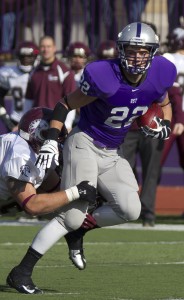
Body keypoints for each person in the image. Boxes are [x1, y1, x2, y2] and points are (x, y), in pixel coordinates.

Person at [7, 22, 176, 293]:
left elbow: (164, 102)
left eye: (143, 52)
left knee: (131, 209)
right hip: (84, 143)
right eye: (131, 51)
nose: (137, 57)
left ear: (153, 54)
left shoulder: (162, 72)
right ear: (121, 51)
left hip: (112, 152)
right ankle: (21, 272)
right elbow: (64, 104)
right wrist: (51, 139)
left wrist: (165, 123)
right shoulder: (103, 76)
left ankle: (80, 230)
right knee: (70, 217)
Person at [24, 35, 76, 132]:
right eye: (43, 46)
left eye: (48, 46)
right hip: (36, 124)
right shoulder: (33, 72)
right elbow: (28, 100)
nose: (45, 49)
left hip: (57, 124)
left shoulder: (65, 72)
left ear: (54, 48)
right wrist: (24, 121)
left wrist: (68, 124)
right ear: (39, 49)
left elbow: (71, 101)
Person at [0, 41, 39, 133]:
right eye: (23, 56)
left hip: (38, 120)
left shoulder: (41, 72)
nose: (26, 59)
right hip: (16, 120)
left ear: (35, 57)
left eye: (29, 56)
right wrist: (7, 120)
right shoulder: (9, 73)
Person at [161, 27, 184, 170]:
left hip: (169, 110)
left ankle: (146, 191)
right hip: (175, 110)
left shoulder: (167, 58)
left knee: (157, 158)